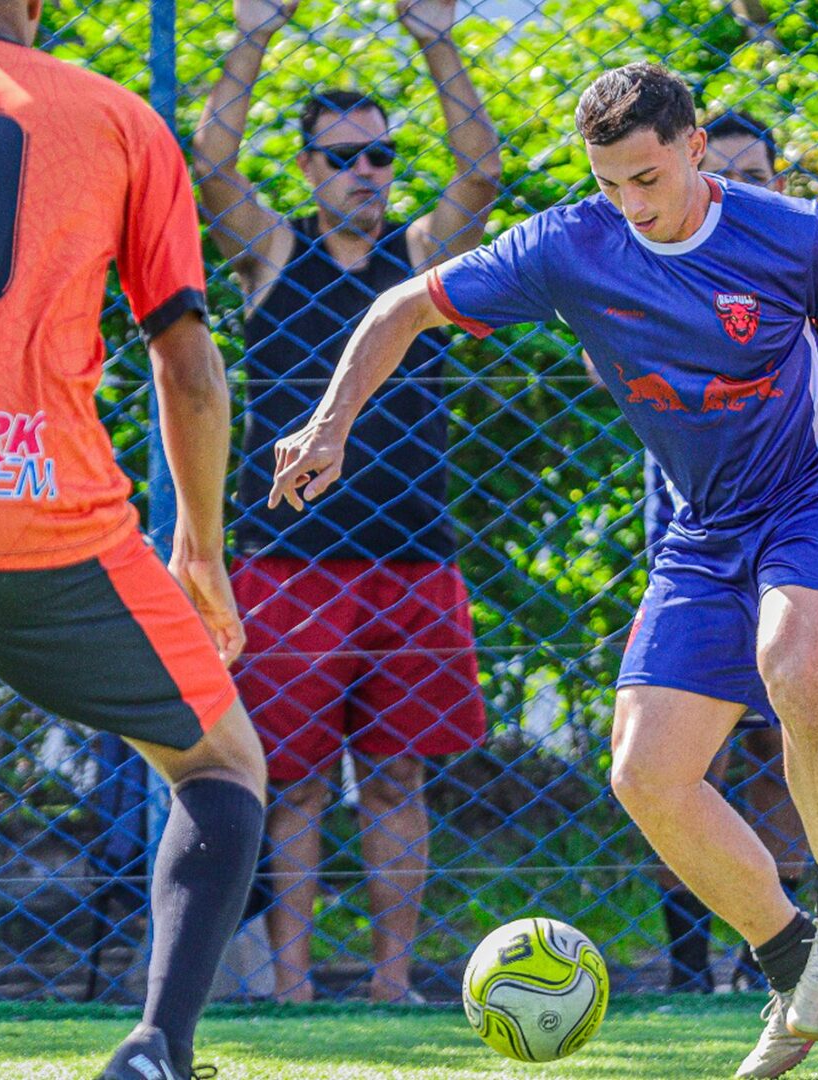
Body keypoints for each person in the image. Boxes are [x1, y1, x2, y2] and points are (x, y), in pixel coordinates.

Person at [270, 63, 818, 1077]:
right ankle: (798, 961)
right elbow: (404, 306)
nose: (631, 203)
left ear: (691, 149)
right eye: (609, 183)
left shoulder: (788, 234)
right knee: (645, 774)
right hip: (704, 529)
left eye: (647, 178)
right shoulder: (570, 245)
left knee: (795, 661)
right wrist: (329, 423)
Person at [0, 3, 268, 1078]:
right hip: (43, 527)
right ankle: (157, 1048)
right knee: (220, 761)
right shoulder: (117, 119)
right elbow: (189, 368)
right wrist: (199, 547)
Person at [192, 0, 501, 1002]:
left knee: (401, 775)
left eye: (379, 154)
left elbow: (481, 175)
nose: (367, 171)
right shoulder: (276, 255)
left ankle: (390, 982)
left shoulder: (422, 261)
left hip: (413, 559)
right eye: (344, 157)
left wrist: (436, 36)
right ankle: (290, 987)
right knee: (298, 782)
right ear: (311, 169)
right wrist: (253, 31)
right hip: (290, 568)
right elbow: (211, 169)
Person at [646, 110, 814, 994]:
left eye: (757, 177)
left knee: (782, 737)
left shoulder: (800, 262)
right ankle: (689, 963)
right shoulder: (651, 260)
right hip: (694, 528)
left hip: (799, 527)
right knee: (685, 749)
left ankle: (778, 950)